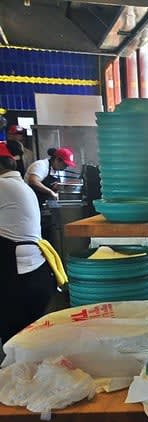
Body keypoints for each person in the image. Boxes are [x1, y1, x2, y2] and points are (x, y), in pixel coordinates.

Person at [0, 142, 65, 344]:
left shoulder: (4, 186)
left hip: (20, 276)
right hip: (32, 274)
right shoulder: (16, 184)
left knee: (18, 340)